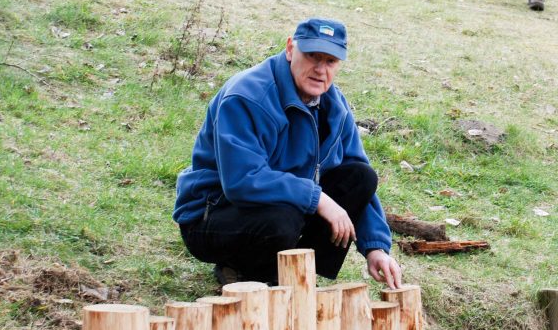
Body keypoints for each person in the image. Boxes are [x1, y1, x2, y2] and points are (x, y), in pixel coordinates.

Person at [173, 17, 403, 289]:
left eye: (330, 62)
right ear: (291, 49)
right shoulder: (247, 96)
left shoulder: (335, 106)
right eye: (312, 57)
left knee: (359, 177)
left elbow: (357, 171)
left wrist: (375, 246)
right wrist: (318, 199)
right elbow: (242, 181)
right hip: (212, 214)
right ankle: (242, 268)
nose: (320, 70)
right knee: (282, 220)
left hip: (284, 207)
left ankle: (290, 271)